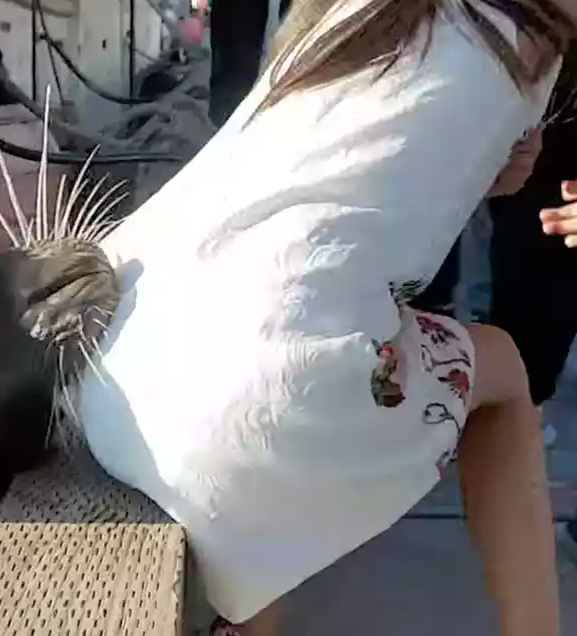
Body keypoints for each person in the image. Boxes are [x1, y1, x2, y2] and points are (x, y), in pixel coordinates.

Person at [75, 2, 575, 636]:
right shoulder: (529, 30)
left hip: (117, 380)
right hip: (259, 409)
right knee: (496, 366)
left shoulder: (333, 15)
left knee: (307, 335)